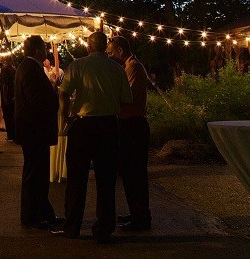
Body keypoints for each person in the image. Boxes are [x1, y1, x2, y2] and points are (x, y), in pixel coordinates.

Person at [55, 30, 132, 242]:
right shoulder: (117, 69)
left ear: (88, 46)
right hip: (108, 126)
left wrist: (64, 117)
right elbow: (127, 99)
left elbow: (63, 92)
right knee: (106, 180)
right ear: (105, 47)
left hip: (83, 125)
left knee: (76, 180)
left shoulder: (78, 65)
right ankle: (104, 228)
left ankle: (72, 227)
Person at [15, 36, 61, 230]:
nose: (46, 50)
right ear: (35, 50)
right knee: (35, 174)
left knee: (37, 173)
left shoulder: (28, 67)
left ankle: (43, 212)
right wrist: (54, 96)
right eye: (43, 47)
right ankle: (32, 216)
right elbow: (37, 100)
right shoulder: (31, 69)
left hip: (32, 129)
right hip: (34, 130)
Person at [107, 36, 151, 232]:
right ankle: (136, 213)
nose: (108, 56)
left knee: (135, 173)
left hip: (133, 125)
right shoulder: (129, 66)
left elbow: (129, 97)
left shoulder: (133, 67)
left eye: (110, 52)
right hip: (130, 124)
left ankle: (140, 217)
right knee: (130, 173)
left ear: (120, 50)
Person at [0, 58, 17, 142]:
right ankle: (14, 134)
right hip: (13, 93)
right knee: (13, 114)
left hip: (8, 94)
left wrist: (4, 96)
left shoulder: (4, 69)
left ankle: (10, 135)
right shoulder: (14, 69)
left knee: (7, 115)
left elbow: (4, 84)